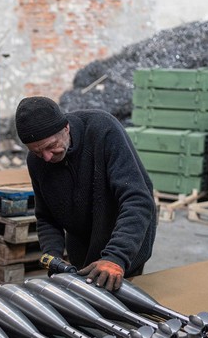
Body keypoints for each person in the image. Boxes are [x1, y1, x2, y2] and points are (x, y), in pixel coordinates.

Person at [15, 96, 156, 292]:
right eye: (37, 152)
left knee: (121, 302)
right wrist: (52, 256)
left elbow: (138, 200)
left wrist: (116, 257)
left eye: (50, 146)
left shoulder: (103, 131)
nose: (46, 157)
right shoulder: (37, 162)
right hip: (82, 245)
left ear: (66, 128)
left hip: (124, 239)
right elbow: (46, 216)